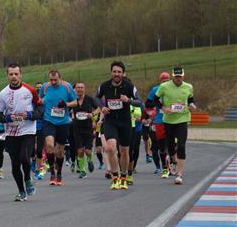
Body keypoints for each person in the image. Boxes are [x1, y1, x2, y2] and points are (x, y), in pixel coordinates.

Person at [0, 63, 44, 201]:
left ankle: (27, 178)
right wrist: (7, 118)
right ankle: (21, 191)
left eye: (16, 74)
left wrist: (30, 115)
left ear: (20, 74)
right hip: (11, 133)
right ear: (7, 76)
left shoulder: (30, 90)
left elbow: (40, 108)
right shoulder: (3, 93)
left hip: (28, 130)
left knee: (24, 158)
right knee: (15, 164)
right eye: (11, 74)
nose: (14, 77)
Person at [96, 61, 141, 190]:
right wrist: (102, 107)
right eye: (114, 71)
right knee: (110, 148)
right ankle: (115, 177)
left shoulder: (129, 86)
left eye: (119, 72)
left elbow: (139, 102)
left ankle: (123, 178)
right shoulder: (104, 85)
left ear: (123, 73)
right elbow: (96, 98)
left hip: (125, 122)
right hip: (110, 121)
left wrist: (128, 100)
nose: (116, 74)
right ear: (111, 72)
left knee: (124, 151)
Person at [154, 67, 196, 185]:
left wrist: (192, 105)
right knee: (171, 146)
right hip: (168, 120)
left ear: (183, 76)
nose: (178, 78)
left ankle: (179, 174)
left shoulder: (188, 87)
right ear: (173, 76)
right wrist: (163, 108)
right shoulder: (164, 86)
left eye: (180, 76)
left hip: (183, 119)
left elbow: (191, 99)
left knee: (181, 145)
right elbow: (155, 100)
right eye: (176, 76)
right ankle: (173, 161)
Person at [39, 70, 77, 186]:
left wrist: (66, 104)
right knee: (50, 145)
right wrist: (41, 102)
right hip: (49, 120)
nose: (53, 82)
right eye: (51, 80)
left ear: (60, 78)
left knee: (60, 151)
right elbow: (40, 100)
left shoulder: (67, 86)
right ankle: (52, 173)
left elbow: (75, 102)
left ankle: (59, 173)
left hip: (63, 122)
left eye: (55, 80)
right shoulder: (45, 87)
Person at [145, 72, 172, 178]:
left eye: (167, 81)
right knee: (161, 147)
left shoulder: (173, 89)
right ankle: (165, 167)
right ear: (160, 81)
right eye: (163, 81)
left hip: (172, 120)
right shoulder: (155, 90)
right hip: (159, 120)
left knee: (171, 144)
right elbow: (147, 103)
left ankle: (171, 166)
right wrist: (159, 104)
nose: (165, 83)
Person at [70, 82, 99, 178]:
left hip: (88, 128)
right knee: (80, 151)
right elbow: (66, 109)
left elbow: (99, 108)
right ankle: (82, 171)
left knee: (88, 151)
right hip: (77, 128)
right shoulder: (73, 100)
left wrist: (93, 114)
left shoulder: (89, 99)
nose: (79, 89)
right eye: (78, 87)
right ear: (75, 89)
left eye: (81, 87)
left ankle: (90, 160)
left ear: (84, 89)